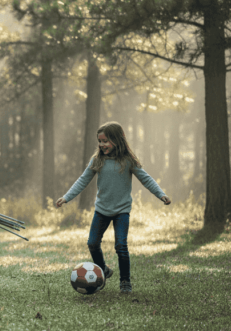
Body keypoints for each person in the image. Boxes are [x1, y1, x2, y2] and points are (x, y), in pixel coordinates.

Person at [56, 121, 171, 293]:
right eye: (99, 141)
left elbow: (146, 178)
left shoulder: (128, 160)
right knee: (92, 243)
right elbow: (83, 180)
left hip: (122, 211)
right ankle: (103, 269)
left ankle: (125, 281)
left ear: (117, 140)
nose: (102, 145)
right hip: (101, 210)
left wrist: (161, 194)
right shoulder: (97, 160)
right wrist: (66, 197)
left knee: (121, 246)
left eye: (105, 141)